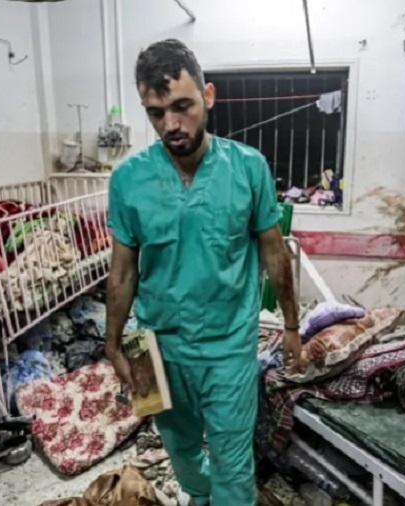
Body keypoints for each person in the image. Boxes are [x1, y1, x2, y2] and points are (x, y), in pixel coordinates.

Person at [104, 39, 301, 506]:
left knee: (233, 463)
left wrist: (292, 325)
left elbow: (275, 254)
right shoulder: (128, 179)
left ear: (207, 96)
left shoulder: (248, 169)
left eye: (182, 106)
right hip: (155, 345)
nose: (171, 124)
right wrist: (113, 343)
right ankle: (199, 493)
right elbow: (123, 273)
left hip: (227, 345)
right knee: (180, 449)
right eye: (156, 113)